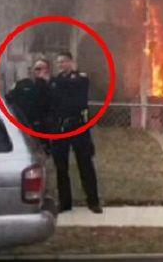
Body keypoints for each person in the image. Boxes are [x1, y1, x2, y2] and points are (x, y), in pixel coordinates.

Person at [49, 51, 102, 214]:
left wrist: (55, 82)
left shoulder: (81, 78)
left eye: (63, 61)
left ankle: (93, 201)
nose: (60, 65)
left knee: (85, 164)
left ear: (71, 62)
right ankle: (65, 203)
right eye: (58, 62)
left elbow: (76, 91)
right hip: (60, 128)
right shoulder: (55, 81)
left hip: (78, 127)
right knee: (61, 167)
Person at [6, 58, 53, 152]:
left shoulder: (53, 84)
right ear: (32, 70)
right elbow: (9, 99)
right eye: (37, 69)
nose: (40, 72)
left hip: (43, 125)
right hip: (24, 123)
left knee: (43, 152)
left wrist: (44, 82)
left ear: (48, 70)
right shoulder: (22, 84)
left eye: (43, 69)